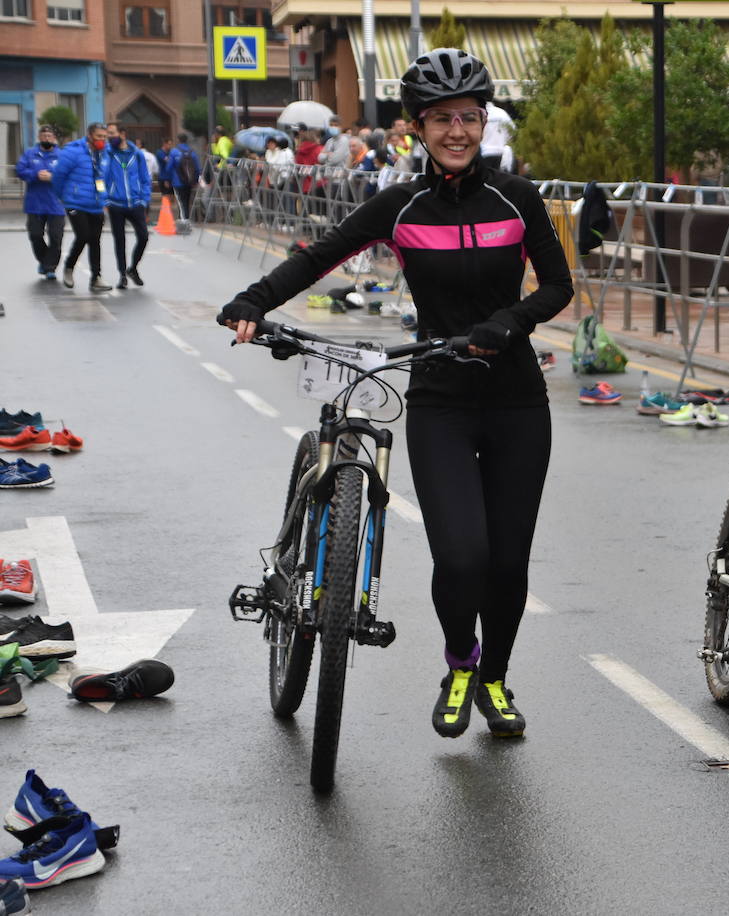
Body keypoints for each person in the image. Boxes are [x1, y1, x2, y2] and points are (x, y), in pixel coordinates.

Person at [218, 49, 573, 740]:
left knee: (507, 564)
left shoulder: (518, 198)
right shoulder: (399, 205)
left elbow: (558, 286)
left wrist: (509, 322)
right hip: (439, 396)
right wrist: (253, 302)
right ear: (417, 129)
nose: (458, 131)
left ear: (483, 122)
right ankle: (461, 663)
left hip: (517, 400)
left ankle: (495, 678)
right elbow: (319, 255)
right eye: (442, 120)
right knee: (462, 557)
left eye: (469, 117)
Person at [50, 122, 113, 291]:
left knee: (95, 240)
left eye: (105, 137)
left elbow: (101, 178)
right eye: (99, 136)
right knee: (83, 235)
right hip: (75, 202)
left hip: (95, 204)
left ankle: (96, 277)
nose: (102, 140)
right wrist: (62, 197)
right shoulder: (73, 151)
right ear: (90, 135)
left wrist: (103, 197)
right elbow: (58, 176)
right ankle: (69, 268)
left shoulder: (104, 154)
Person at [104, 122, 152, 288]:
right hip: (115, 204)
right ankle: (122, 275)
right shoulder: (107, 154)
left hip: (136, 203)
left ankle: (133, 268)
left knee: (144, 237)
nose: (109, 137)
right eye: (107, 134)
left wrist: (144, 199)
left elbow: (145, 179)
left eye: (111, 133)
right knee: (120, 240)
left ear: (122, 134)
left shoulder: (137, 154)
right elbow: (100, 178)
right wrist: (105, 198)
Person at [17, 125, 65, 281]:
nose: (47, 138)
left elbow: (69, 174)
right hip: (35, 203)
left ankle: (50, 268)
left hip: (55, 204)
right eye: (44, 135)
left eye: (50, 136)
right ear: (39, 137)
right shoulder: (30, 154)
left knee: (56, 237)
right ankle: (45, 262)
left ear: (54, 138)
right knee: (35, 235)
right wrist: (35, 174)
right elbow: (20, 170)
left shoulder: (62, 155)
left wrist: (53, 177)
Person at [167, 132, 200, 222]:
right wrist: (195, 180)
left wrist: (168, 179)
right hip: (189, 182)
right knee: (186, 201)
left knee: (180, 202)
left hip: (177, 181)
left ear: (178, 140)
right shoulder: (192, 152)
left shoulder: (174, 151)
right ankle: (186, 218)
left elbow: (169, 168)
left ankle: (184, 221)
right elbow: (197, 168)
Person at [480, 101, 515, 172]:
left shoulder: (480, 114)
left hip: (483, 153)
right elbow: (512, 132)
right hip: (501, 153)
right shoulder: (502, 113)